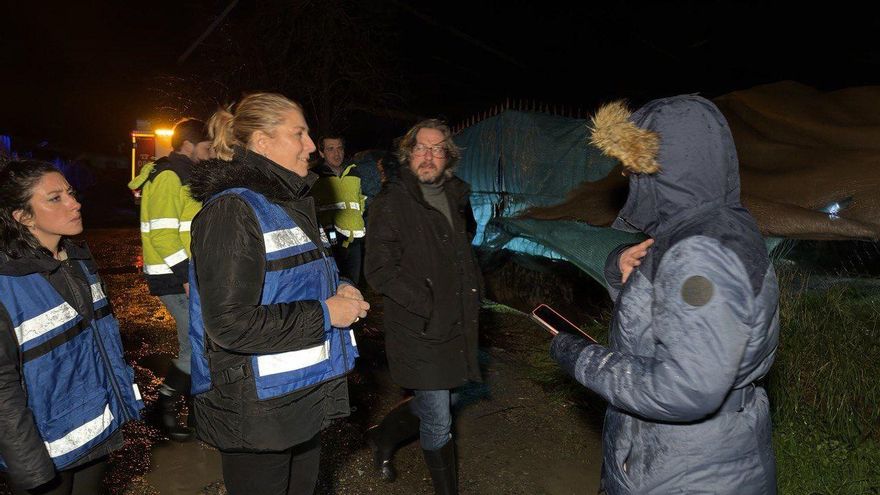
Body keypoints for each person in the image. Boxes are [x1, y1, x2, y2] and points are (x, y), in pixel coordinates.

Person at [550, 95, 779, 494]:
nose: (626, 175)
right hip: (687, 453)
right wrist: (621, 270)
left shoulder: (700, 250)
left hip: (688, 469)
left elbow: (687, 388)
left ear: (666, 165)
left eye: (634, 166)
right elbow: (668, 324)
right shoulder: (710, 228)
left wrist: (579, 357)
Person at [187, 93, 369, 495]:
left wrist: (340, 286)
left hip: (297, 395)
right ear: (261, 142)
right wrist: (326, 313)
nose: (311, 146)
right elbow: (229, 324)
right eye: (299, 134)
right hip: (256, 409)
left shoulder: (291, 201)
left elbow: (296, 276)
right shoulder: (232, 211)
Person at [0, 160, 143, 494]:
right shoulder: (7, 283)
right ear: (22, 217)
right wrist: (30, 467)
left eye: (70, 193)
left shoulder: (77, 259)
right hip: (45, 452)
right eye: (55, 198)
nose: (74, 203)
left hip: (93, 434)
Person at [364, 119, 482, 494]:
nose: (428, 156)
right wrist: (428, 303)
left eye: (437, 148)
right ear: (408, 154)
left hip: (458, 322)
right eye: (421, 148)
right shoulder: (391, 201)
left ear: (448, 157)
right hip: (420, 326)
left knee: (453, 396)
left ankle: (383, 435)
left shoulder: (456, 197)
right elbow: (379, 271)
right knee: (439, 420)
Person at [127, 118, 212, 441]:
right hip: (175, 277)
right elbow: (162, 237)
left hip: (187, 274)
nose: (209, 154)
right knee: (195, 344)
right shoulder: (168, 177)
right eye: (205, 148)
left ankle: (194, 415)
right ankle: (163, 407)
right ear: (188, 145)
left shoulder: (185, 175)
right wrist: (186, 276)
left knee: (200, 343)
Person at [311, 135, 367, 285]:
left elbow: (360, 199)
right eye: (330, 149)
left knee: (353, 285)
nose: (337, 154)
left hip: (354, 237)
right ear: (321, 153)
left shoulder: (354, 173)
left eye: (339, 148)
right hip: (330, 237)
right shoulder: (314, 176)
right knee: (334, 285)